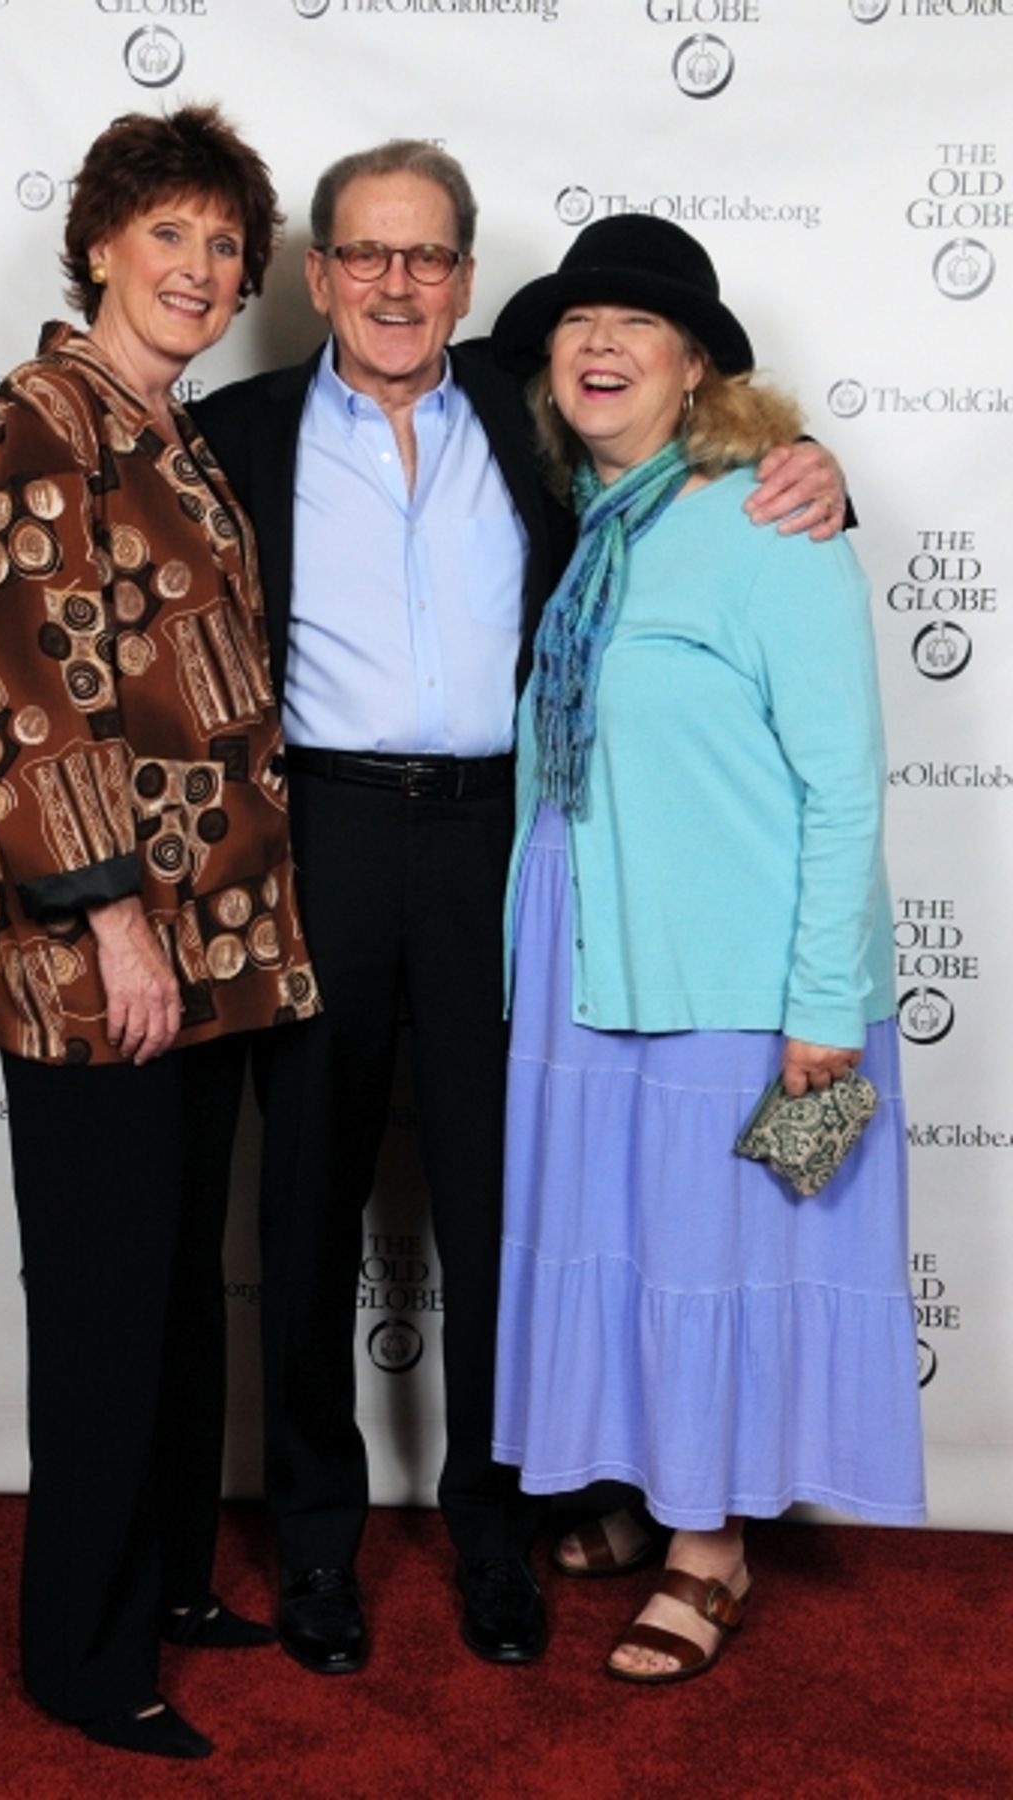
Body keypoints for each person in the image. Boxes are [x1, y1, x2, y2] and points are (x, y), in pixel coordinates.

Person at [192, 140, 848, 1675]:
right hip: (322, 837)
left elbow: (702, 468)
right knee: (301, 1200)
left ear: (470, 284)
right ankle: (313, 1543)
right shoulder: (236, 430)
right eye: (366, 256)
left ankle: (498, 1531)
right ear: (318, 275)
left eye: (427, 258)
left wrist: (825, 474)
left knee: (511, 1203)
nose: (396, 284)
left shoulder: (531, 408)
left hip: (504, 845)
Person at [488, 214, 926, 1684]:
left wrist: (822, 1013)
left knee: (722, 1254)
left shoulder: (767, 522)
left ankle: (713, 1549)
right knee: (623, 1247)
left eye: (640, 326)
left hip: (735, 982)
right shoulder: (596, 523)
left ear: (697, 374)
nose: (601, 343)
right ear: (550, 367)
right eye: (576, 323)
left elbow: (843, 781)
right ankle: (646, 1482)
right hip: (589, 957)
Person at [0, 107, 318, 1759]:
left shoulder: (171, 432)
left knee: (178, 1289)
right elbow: (42, 697)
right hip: (108, 951)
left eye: (228, 246)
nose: (202, 268)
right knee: (108, 1304)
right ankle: (81, 1654)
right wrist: (114, 931)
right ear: (100, 243)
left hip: (221, 936)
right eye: (170, 234)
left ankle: (170, 1578)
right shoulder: (44, 419)